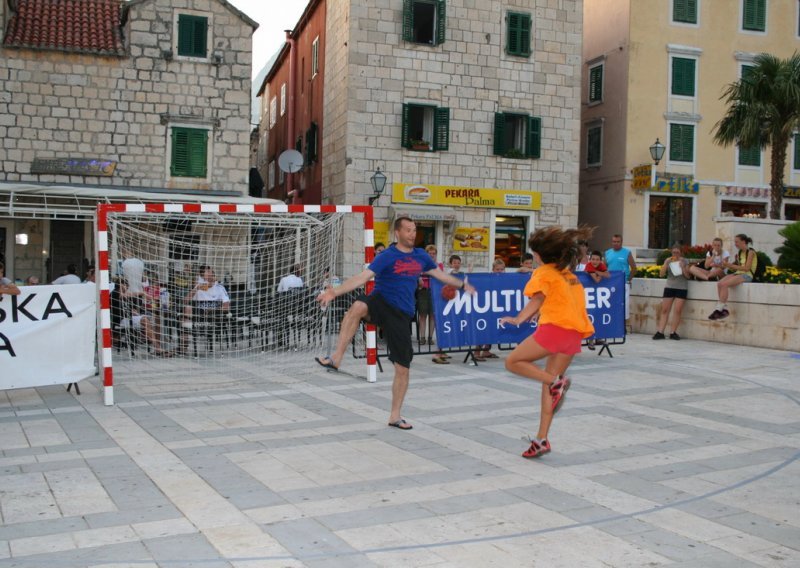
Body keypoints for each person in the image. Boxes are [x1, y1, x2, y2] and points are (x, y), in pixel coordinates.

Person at [315, 216, 476, 430]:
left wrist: (463, 285)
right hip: (381, 302)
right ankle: (336, 358)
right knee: (358, 307)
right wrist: (333, 292)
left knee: (403, 368)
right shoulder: (387, 256)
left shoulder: (421, 256)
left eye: (414, 230)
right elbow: (363, 278)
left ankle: (395, 416)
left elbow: (440, 275)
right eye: (408, 230)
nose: (412, 233)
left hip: (402, 313)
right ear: (397, 233)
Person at [500, 226, 594, 459]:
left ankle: (556, 382)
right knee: (547, 388)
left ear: (540, 254)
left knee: (513, 362)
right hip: (573, 333)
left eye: (533, 253)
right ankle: (541, 439)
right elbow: (559, 300)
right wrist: (538, 313)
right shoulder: (568, 274)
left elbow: (539, 297)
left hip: (556, 328)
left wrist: (519, 318)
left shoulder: (543, 272)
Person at [708, 234, 757, 321]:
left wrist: (730, 265)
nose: (735, 244)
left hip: (747, 275)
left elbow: (747, 268)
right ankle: (724, 309)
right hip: (738, 273)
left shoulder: (750, 252)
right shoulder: (740, 252)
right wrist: (726, 264)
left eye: (737, 242)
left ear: (743, 242)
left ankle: (719, 309)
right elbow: (737, 266)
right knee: (720, 283)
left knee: (725, 284)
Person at [653, 243, 691, 340]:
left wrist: (682, 267)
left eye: (677, 252)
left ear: (681, 253)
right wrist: (666, 264)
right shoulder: (668, 260)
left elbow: (688, 276)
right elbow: (661, 274)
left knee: (677, 310)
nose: (675, 254)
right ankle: (660, 331)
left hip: (681, 287)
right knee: (665, 310)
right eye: (674, 252)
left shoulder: (685, 261)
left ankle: (673, 332)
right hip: (670, 286)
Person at [605, 234, 637, 323]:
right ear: (611, 242)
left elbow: (634, 268)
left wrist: (628, 280)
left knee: (623, 305)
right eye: (614, 242)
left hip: (623, 284)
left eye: (618, 242)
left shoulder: (627, 252)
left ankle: (622, 326)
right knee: (611, 304)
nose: (616, 243)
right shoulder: (607, 253)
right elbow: (603, 268)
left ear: (621, 242)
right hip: (610, 284)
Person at [415, 244, 442, 347]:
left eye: (433, 253)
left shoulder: (439, 265)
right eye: (430, 253)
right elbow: (417, 274)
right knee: (422, 315)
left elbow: (441, 276)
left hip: (435, 291)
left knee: (433, 315)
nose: (432, 255)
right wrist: (419, 278)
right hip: (423, 291)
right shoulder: (421, 264)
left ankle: (430, 337)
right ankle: (422, 337)